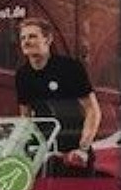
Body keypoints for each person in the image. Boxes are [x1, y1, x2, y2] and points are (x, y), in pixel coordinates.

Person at [14, 17, 101, 176]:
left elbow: (92, 110)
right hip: (45, 155)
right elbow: (25, 117)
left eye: (32, 36)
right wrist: (30, 149)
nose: (26, 41)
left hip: (75, 154)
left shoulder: (70, 67)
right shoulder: (22, 75)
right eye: (23, 38)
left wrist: (82, 148)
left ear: (48, 39)